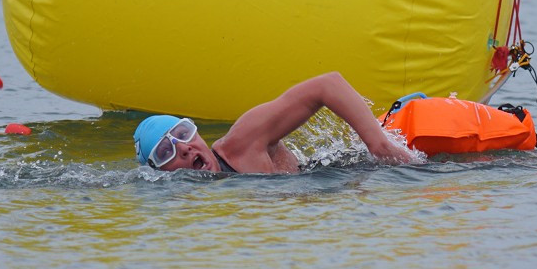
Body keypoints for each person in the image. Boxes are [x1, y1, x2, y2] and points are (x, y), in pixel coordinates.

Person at [134, 72, 416, 174]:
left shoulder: (242, 143)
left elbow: (327, 84)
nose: (183, 148)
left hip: (364, 175)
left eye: (183, 134)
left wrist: (379, 145)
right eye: (165, 152)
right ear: (158, 172)